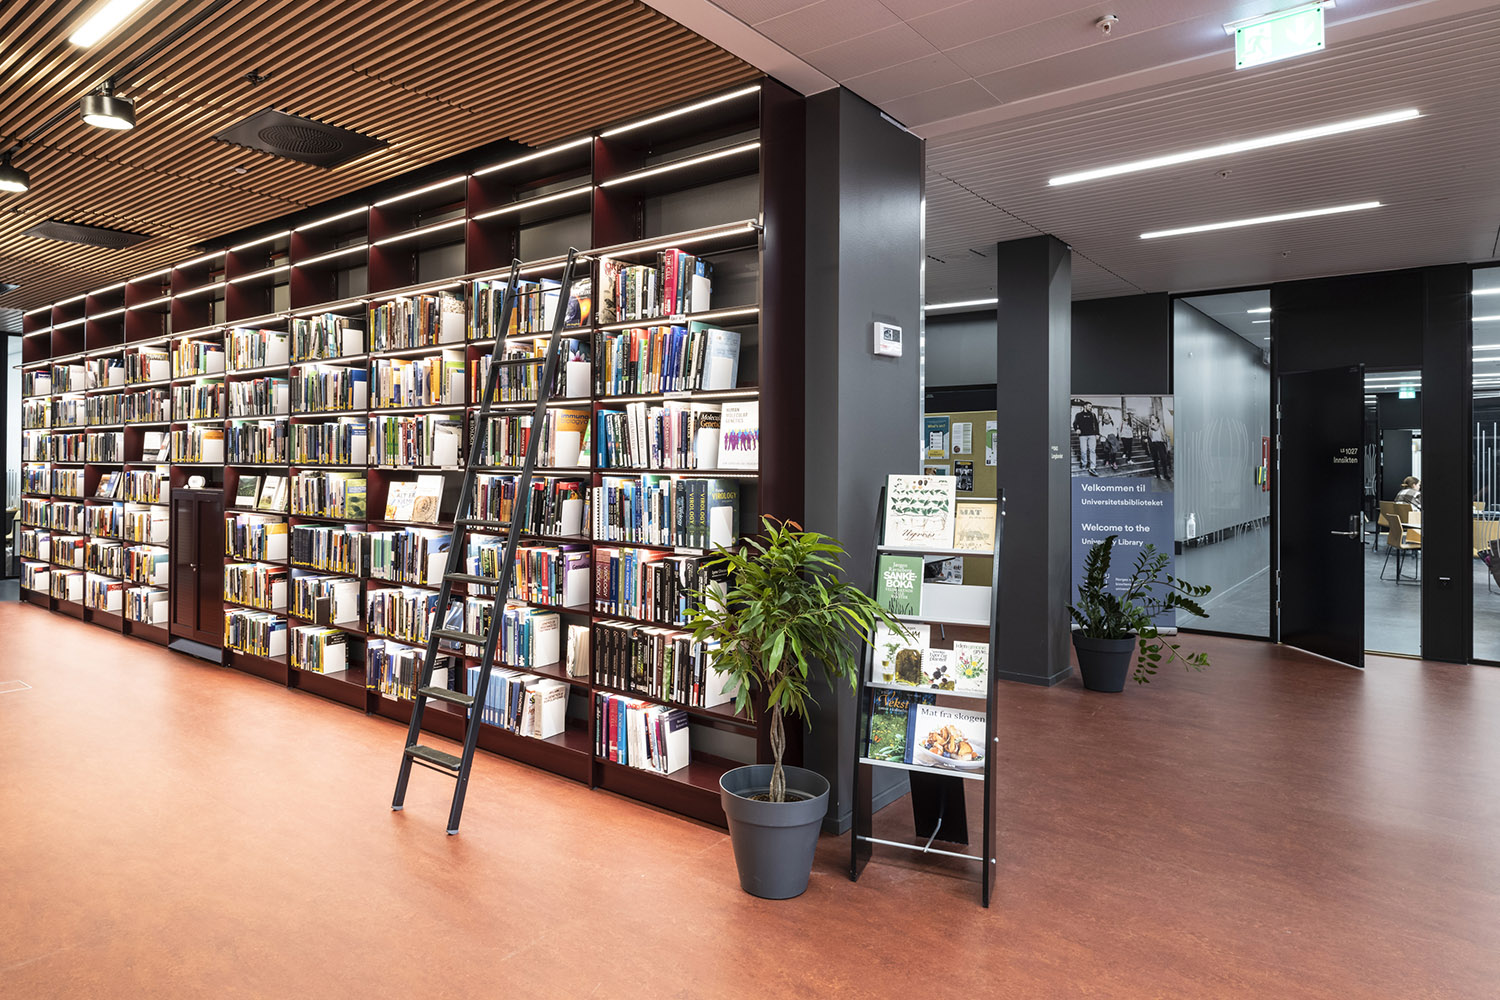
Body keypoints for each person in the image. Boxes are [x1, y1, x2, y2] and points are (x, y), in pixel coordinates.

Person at [1073, 403, 1100, 476]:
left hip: (1092, 435)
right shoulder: (1078, 415)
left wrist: (1097, 434)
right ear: (1084, 406)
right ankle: (1084, 463)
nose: (1090, 407)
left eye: (1091, 406)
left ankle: (1092, 467)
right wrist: (1077, 429)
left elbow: (1096, 425)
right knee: (1083, 450)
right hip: (1082, 435)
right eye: (1089, 406)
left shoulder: (1093, 415)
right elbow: (1075, 423)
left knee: (1092, 451)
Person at [1148, 413, 1171, 482]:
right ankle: (1157, 474)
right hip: (1153, 444)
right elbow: (1150, 436)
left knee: (1163, 459)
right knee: (1155, 459)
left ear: (1156, 419)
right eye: (1151, 418)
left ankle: (1165, 475)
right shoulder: (1150, 426)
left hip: (1160, 443)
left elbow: (1163, 434)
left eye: (1153, 418)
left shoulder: (1160, 426)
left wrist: (1166, 444)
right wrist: (1150, 428)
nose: (1151, 419)